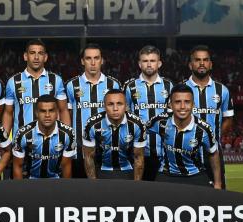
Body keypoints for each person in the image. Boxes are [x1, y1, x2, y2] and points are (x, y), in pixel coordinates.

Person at [147, 84, 222, 189]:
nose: (182, 107)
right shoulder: (160, 122)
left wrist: (218, 183)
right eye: (177, 102)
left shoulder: (204, 129)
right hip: (166, 174)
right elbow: (139, 130)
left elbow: (213, 154)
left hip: (195, 175)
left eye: (187, 102)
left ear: (193, 105)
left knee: (207, 201)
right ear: (170, 105)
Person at [66, 43, 121, 178]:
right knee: (80, 194)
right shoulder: (71, 85)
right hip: (79, 151)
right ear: (82, 61)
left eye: (96, 58)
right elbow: (66, 116)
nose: (93, 62)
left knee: (106, 195)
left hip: (106, 150)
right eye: (88, 58)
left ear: (102, 61)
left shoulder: (113, 84)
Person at [184, 45, 234, 189]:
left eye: (205, 60)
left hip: (213, 154)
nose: (201, 63)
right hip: (187, 152)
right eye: (197, 60)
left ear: (210, 64)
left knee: (218, 196)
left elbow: (228, 119)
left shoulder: (222, 90)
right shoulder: (181, 89)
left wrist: (213, 137)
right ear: (190, 64)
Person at [2, 39, 70, 138]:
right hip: (21, 142)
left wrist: (67, 136)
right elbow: (8, 113)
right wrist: (4, 138)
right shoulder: (13, 82)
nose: (36, 57)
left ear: (45, 57)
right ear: (25, 56)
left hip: (52, 142)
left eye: (40, 53)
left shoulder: (56, 80)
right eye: (32, 53)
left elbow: (63, 110)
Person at [124, 45, 173, 181]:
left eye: (152, 60)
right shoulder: (130, 87)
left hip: (163, 151)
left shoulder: (169, 86)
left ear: (159, 63)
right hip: (138, 151)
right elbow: (126, 116)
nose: (149, 64)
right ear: (140, 64)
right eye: (145, 61)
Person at [83, 90, 146, 180]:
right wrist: (93, 184)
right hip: (101, 169)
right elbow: (89, 157)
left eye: (119, 104)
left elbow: (138, 157)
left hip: (128, 169)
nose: (115, 108)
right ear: (104, 106)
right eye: (110, 104)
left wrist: (136, 185)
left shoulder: (138, 124)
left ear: (126, 106)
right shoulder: (92, 124)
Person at [12, 95, 76, 179]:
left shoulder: (68, 134)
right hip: (30, 181)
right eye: (43, 111)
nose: (47, 115)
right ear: (36, 113)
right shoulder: (23, 134)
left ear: (57, 112)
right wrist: (21, 191)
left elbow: (66, 166)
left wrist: (65, 190)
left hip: (56, 180)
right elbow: (18, 166)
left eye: (51, 111)